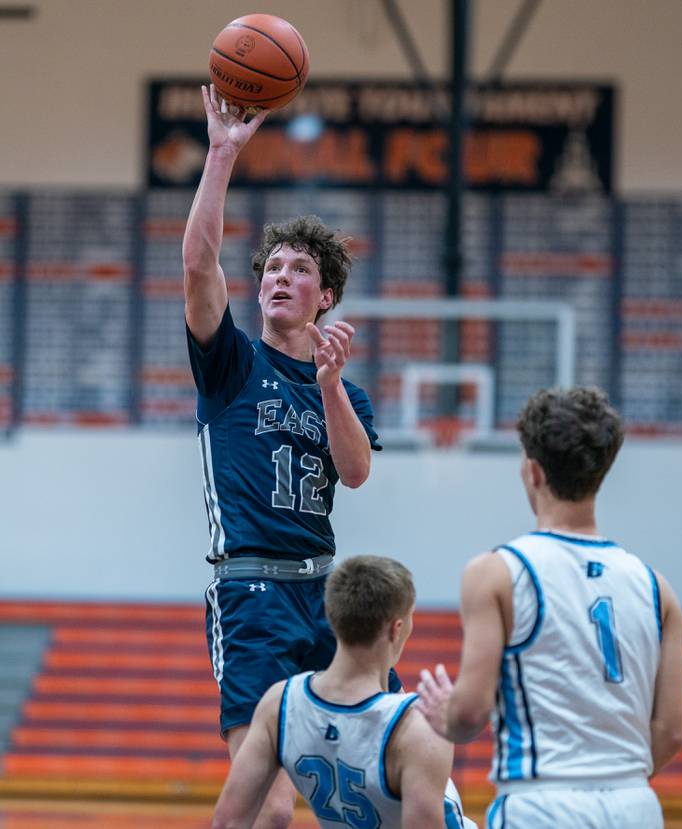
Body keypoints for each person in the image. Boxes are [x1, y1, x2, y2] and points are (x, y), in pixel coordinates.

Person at [182, 85, 398, 829]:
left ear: (325, 295)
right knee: (270, 809)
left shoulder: (350, 392)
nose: (279, 276)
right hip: (252, 596)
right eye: (272, 267)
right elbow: (199, 263)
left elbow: (359, 470)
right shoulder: (231, 364)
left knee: (381, 786)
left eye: (298, 268)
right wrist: (221, 153)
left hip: (330, 599)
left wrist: (331, 386)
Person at [417, 387, 682, 829]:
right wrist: (611, 781)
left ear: (533, 471)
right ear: (601, 473)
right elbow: (673, 731)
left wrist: (443, 713)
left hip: (542, 801)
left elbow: (468, 717)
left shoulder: (497, 572)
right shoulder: (659, 589)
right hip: (634, 803)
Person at [212, 555, 476, 829]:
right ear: (397, 629)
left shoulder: (279, 705)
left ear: (331, 619)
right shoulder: (416, 725)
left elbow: (228, 823)